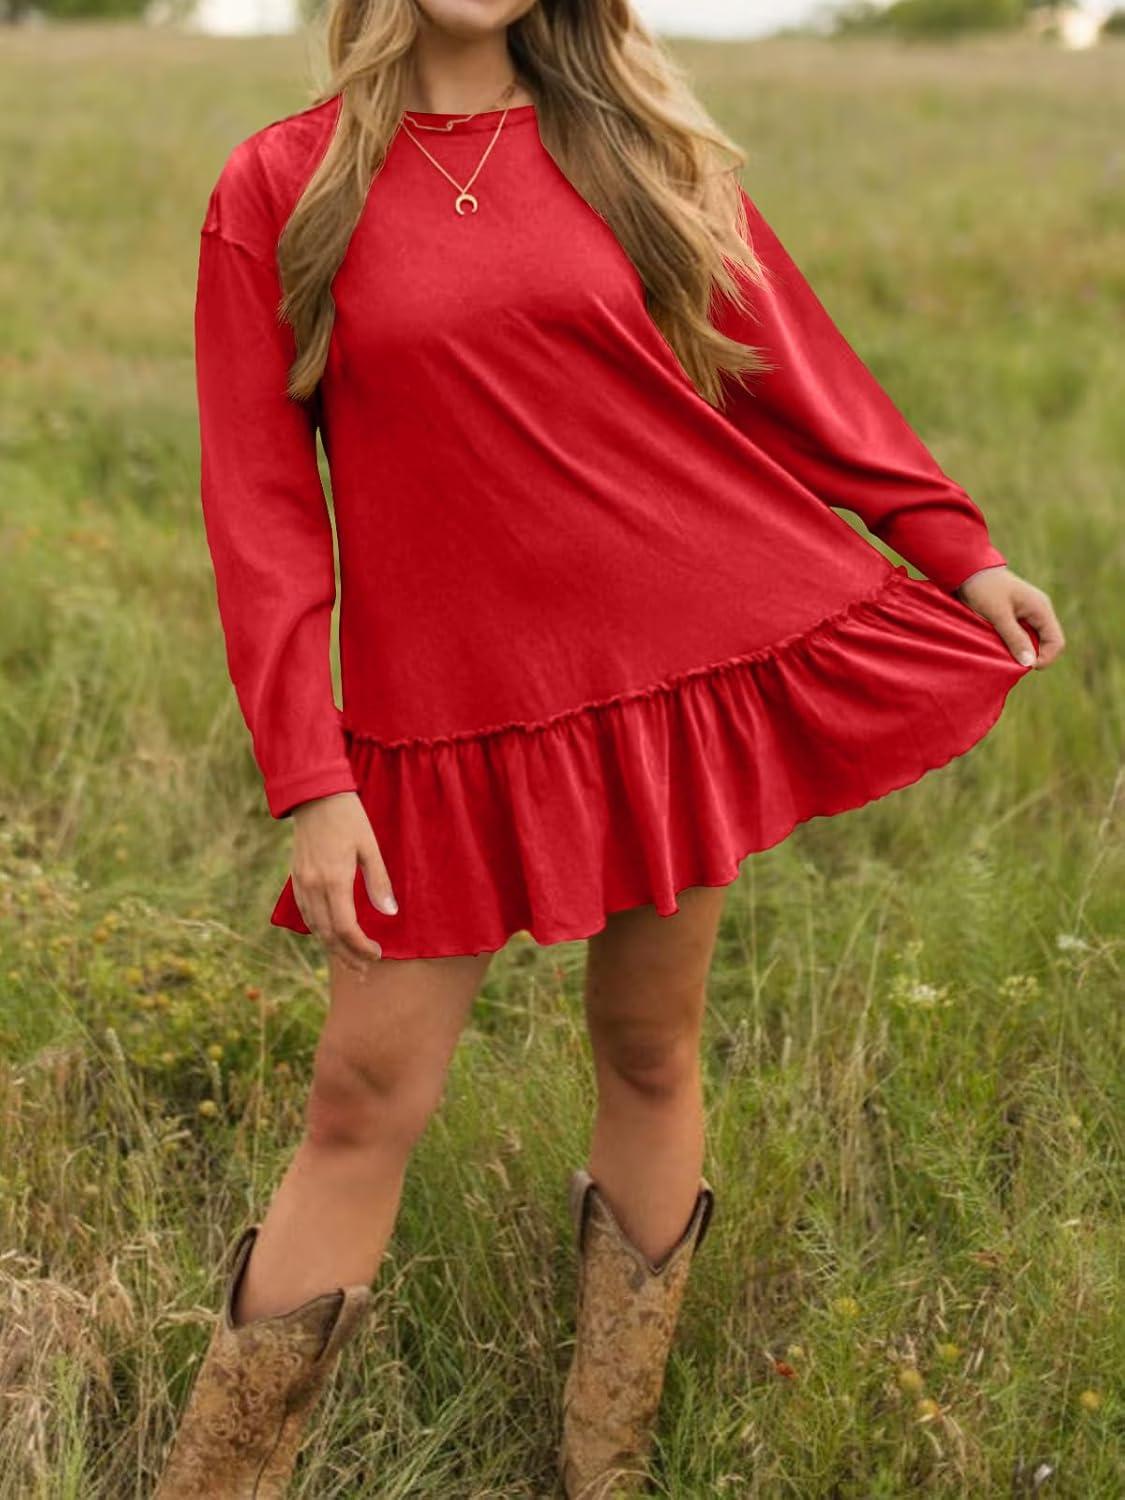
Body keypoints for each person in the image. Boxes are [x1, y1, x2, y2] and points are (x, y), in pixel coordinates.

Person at [157, 0, 1066, 1494]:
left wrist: (955, 549)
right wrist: (312, 777)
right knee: (359, 1103)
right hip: (439, 723)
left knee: (649, 1048)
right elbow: (257, 508)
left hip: (672, 676)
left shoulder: (636, 151)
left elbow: (791, 372)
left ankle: (607, 1464)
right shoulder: (283, 183)